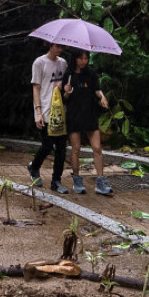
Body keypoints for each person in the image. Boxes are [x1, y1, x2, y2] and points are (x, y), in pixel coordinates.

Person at [63, 49, 112, 195]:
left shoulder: (91, 74)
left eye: (86, 58)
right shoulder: (69, 74)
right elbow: (64, 98)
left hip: (90, 114)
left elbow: (96, 89)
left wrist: (102, 96)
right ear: (75, 59)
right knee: (76, 149)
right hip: (74, 115)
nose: (83, 61)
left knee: (97, 148)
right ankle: (77, 180)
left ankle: (100, 182)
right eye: (81, 58)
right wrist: (66, 91)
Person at [27, 42, 70, 194]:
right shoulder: (39, 63)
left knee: (61, 149)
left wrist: (66, 90)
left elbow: (65, 87)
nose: (60, 50)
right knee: (47, 146)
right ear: (50, 45)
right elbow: (36, 88)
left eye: (62, 47)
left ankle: (56, 181)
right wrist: (38, 112)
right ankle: (34, 166)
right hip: (45, 110)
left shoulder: (63, 63)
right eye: (57, 46)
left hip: (59, 111)